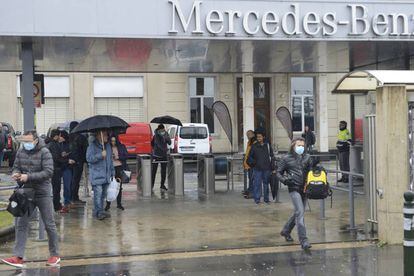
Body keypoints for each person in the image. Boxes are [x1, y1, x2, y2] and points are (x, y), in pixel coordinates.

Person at [1, 130, 60, 268]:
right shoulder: (21, 152)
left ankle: (54, 255)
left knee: (49, 224)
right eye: (24, 142)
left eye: (28, 141)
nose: (26, 144)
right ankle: (18, 257)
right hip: (26, 193)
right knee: (21, 224)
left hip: (43, 193)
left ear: (35, 140)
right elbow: (15, 167)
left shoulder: (45, 152)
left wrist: (29, 177)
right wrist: (16, 173)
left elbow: (48, 172)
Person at [277, 137, 313, 251]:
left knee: (298, 212)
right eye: (299, 145)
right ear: (293, 146)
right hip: (293, 188)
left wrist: (317, 170)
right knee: (300, 213)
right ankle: (304, 240)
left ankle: (286, 231)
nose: (301, 148)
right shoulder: (286, 158)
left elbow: (311, 172)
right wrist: (285, 180)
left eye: (303, 146)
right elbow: (278, 173)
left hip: (305, 189)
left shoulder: (307, 157)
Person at [86, 130, 114, 220]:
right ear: (99, 136)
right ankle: (99, 212)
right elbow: (89, 159)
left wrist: (112, 172)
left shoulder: (108, 146)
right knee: (98, 195)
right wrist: (100, 155)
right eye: (105, 135)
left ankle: (99, 211)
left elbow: (110, 160)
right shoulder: (92, 146)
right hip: (97, 175)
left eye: (107, 135)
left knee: (103, 195)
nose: (107, 137)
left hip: (106, 175)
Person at [247, 130, 274, 204]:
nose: (258, 138)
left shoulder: (267, 146)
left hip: (267, 168)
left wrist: (272, 167)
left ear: (263, 137)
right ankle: (257, 200)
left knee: (266, 184)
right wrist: (254, 164)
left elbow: (271, 156)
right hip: (257, 169)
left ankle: (266, 199)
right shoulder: (254, 146)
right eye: (257, 137)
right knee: (257, 184)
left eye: (260, 137)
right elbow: (249, 158)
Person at [105, 135, 128, 211]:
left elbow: (126, 156)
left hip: (119, 167)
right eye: (111, 141)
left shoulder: (121, 147)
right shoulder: (107, 147)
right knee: (110, 187)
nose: (113, 142)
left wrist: (118, 157)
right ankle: (108, 204)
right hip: (111, 168)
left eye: (114, 141)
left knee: (119, 186)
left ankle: (119, 204)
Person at [46, 129, 66, 212]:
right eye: (59, 135)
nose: (60, 137)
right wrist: (66, 160)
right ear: (56, 136)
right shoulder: (53, 145)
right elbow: (56, 158)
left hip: (52, 168)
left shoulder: (50, 144)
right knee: (56, 189)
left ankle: (56, 204)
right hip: (55, 169)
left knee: (55, 188)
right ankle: (56, 206)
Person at [70, 127, 88, 204]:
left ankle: (70, 197)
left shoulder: (69, 137)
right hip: (79, 162)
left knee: (71, 181)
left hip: (69, 162)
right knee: (76, 180)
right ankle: (75, 197)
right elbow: (85, 150)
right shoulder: (81, 137)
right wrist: (85, 160)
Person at [59, 131, 75, 213]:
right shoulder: (57, 145)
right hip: (59, 168)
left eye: (60, 136)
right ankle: (60, 203)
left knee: (67, 186)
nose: (59, 138)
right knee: (57, 187)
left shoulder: (69, 145)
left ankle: (67, 202)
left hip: (67, 168)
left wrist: (68, 159)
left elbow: (73, 156)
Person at [151, 124, 171, 191]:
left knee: (163, 171)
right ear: (159, 129)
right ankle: (151, 185)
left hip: (164, 156)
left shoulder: (166, 134)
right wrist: (163, 149)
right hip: (156, 155)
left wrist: (166, 137)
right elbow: (153, 144)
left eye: (164, 130)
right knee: (154, 171)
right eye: (162, 130)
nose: (163, 131)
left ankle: (162, 185)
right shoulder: (156, 136)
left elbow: (170, 142)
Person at [242, 130, 256, 199]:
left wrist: (250, 162)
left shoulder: (254, 142)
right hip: (249, 163)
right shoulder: (249, 142)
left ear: (253, 134)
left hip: (252, 164)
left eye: (249, 134)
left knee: (252, 179)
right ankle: (250, 190)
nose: (248, 136)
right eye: (247, 135)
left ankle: (252, 192)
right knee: (250, 178)